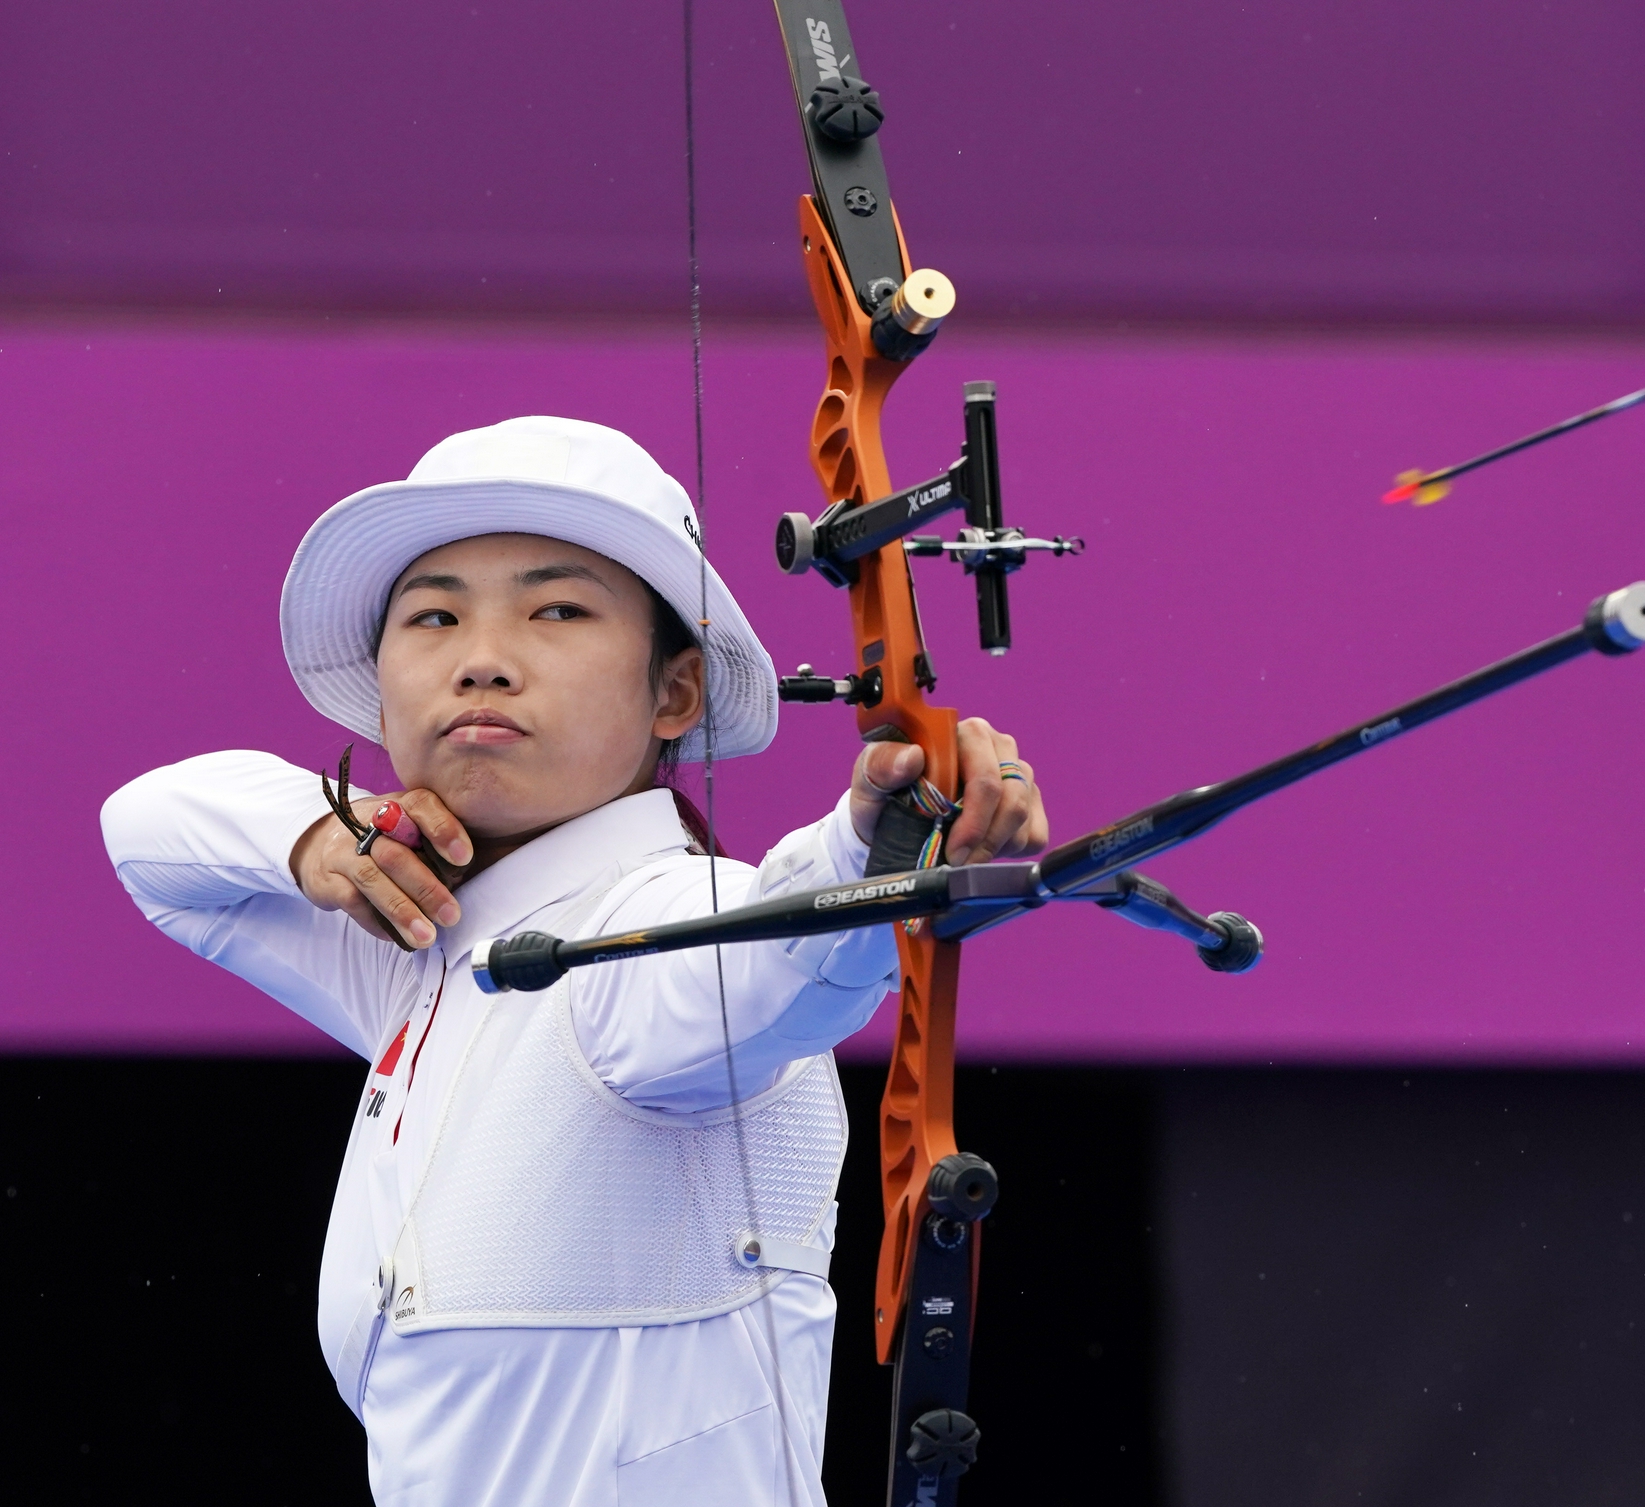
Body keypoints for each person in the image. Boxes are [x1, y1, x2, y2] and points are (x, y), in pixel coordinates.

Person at [99, 415, 1047, 1506]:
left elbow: (768, 947)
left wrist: (875, 842)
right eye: (433, 616)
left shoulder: (645, 943)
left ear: (675, 694)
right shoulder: (418, 950)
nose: (483, 658)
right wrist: (323, 833)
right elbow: (150, 836)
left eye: (556, 610)